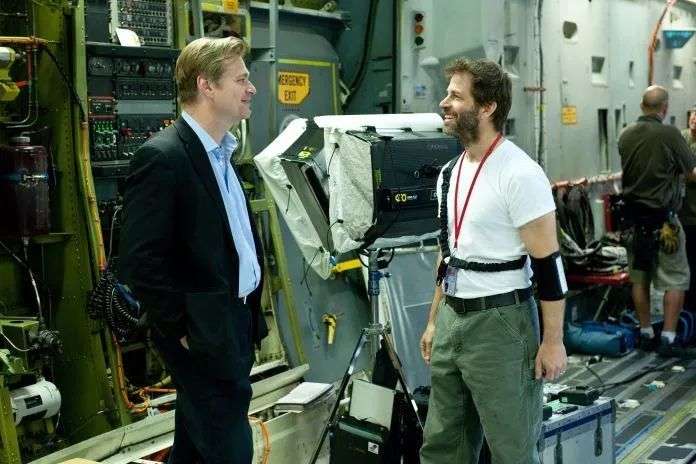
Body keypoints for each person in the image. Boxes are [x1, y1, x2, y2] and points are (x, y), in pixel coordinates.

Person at [119, 36, 267, 464]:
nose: (251, 88)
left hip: (232, 320)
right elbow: (140, 259)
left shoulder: (222, 154)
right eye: (240, 79)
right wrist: (181, 328)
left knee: (198, 442)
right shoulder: (163, 157)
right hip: (201, 331)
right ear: (206, 86)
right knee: (228, 447)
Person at [419, 58, 567, 464]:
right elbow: (449, 255)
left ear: (486, 108)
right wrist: (433, 320)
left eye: (455, 96)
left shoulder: (519, 174)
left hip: (501, 324)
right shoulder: (449, 173)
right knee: (442, 445)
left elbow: (549, 267)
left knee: (511, 449)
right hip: (452, 319)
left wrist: (553, 342)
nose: (444, 102)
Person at [619, 85, 696, 357]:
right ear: (665, 108)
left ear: (642, 106)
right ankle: (668, 338)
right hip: (665, 224)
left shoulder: (625, 134)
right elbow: (690, 171)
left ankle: (645, 333)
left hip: (634, 222)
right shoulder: (670, 134)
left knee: (639, 278)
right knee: (675, 278)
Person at [679, 108, 696, 312]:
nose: (694, 119)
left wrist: (685, 171)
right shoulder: (681, 138)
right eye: (693, 114)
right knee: (684, 264)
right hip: (682, 214)